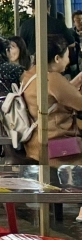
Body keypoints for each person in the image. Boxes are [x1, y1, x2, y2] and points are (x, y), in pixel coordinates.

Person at [24, 35, 82, 176]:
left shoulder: (30, 74)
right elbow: (79, 103)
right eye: (67, 57)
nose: (68, 61)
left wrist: (78, 80)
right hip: (57, 147)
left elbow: (56, 96)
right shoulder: (52, 78)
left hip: (34, 145)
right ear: (57, 58)